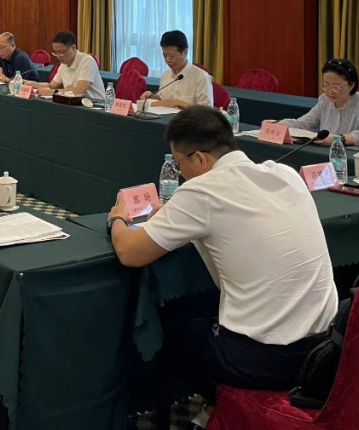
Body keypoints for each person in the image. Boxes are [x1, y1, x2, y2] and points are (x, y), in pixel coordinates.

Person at [107, 106, 338, 417]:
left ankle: (213, 412)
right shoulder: (285, 173)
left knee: (172, 324)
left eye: (179, 164)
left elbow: (130, 252)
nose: (180, 173)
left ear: (200, 160)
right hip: (325, 351)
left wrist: (117, 219)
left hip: (264, 361)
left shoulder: (201, 191)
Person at [272, 58, 359, 149]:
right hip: (330, 154)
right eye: (326, 85)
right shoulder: (325, 100)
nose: (330, 91)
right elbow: (303, 124)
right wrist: (278, 124)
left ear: (351, 85)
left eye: (336, 87)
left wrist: (337, 139)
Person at [140, 30, 214, 109]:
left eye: (172, 56)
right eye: (165, 56)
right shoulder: (165, 75)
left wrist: (177, 103)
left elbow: (207, 109)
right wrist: (153, 96)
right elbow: (163, 98)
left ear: (185, 52)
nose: (168, 60)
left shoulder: (201, 77)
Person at [24, 31, 105, 101]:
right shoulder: (64, 64)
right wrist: (31, 84)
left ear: (73, 47)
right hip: (74, 103)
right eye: (55, 52)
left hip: (95, 105)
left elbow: (80, 90)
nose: (58, 56)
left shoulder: (87, 61)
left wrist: (54, 92)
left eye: (60, 52)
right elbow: (51, 85)